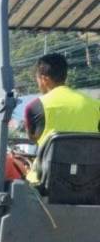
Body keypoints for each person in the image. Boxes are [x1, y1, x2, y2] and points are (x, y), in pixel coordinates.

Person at [24, 53, 100, 182]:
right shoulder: (95, 105)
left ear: (44, 78)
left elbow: (33, 138)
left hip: (45, 182)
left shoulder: (35, 106)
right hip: (89, 181)